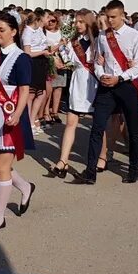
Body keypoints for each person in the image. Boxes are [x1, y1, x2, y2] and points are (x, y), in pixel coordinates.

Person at [75, 0, 138, 185]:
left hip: (125, 85)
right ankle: (90, 171)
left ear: (123, 15)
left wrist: (120, 78)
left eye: (114, 17)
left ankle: (134, 168)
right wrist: (101, 75)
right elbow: (98, 61)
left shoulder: (135, 36)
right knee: (97, 128)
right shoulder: (102, 37)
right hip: (106, 86)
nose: (110, 20)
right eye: (108, 17)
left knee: (133, 128)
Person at [0, 11, 35, 231]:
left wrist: (18, 114)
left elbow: (23, 89)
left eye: (2, 30)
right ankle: (25, 186)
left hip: (10, 113)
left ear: (14, 31)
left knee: (2, 166)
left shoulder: (20, 58)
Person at [48, 10, 97, 178]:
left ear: (89, 23)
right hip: (77, 84)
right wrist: (58, 61)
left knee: (99, 126)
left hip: (94, 84)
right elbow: (68, 63)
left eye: (81, 22)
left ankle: (102, 156)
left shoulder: (98, 41)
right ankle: (63, 161)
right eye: (76, 21)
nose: (77, 24)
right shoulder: (72, 42)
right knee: (70, 122)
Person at [21, 10, 52, 134]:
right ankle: (28, 122)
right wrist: (42, 52)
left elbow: (44, 44)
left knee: (41, 93)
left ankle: (32, 119)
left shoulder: (39, 30)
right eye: (46, 18)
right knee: (31, 94)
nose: (47, 20)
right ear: (38, 20)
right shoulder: (27, 32)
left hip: (40, 62)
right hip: (32, 63)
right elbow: (27, 53)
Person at [43, 14, 67, 127]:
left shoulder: (61, 32)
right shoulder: (44, 33)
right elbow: (47, 49)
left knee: (59, 87)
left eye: (53, 20)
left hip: (61, 60)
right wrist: (59, 45)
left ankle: (55, 111)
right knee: (49, 88)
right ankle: (46, 111)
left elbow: (66, 46)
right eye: (49, 20)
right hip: (50, 60)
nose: (51, 23)